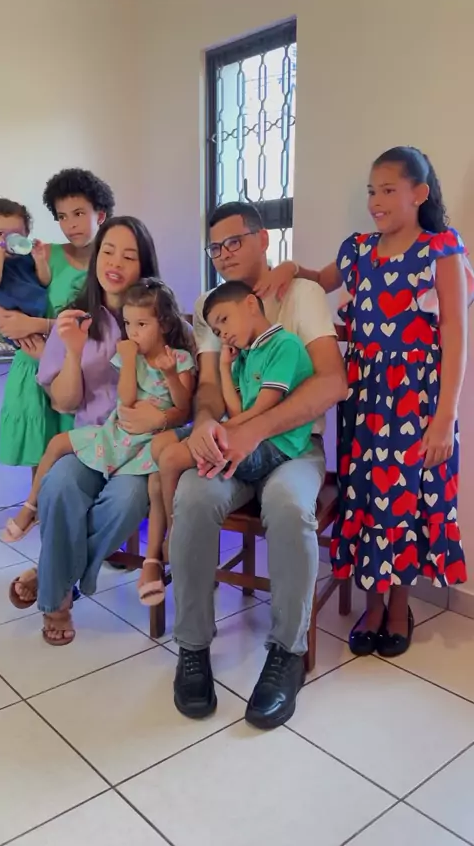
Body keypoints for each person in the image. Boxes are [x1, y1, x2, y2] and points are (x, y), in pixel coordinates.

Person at [168, 201, 347, 729]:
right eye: (214, 247)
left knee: (289, 506)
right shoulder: (210, 306)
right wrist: (206, 423)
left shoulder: (301, 294)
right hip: (232, 441)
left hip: (295, 445)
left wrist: (254, 429)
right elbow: (208, 387)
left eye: (234, 242)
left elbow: (332, 382)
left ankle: (286, 652)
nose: (223, 254)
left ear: (262, 238)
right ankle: (193, 647)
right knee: (193, 497)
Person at [311, 146, 471, 658]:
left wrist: (445, 418)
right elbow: (317, 282)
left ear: (419, 194)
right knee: (364, 497)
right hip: (363, 401)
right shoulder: (359, 250)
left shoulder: (440, 249)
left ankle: (399, 607)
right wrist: (288, 269)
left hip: (417, 402)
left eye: (387, 190)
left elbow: (456, 336)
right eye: (371, 191)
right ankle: (372, 605)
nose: (375, 201)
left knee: (404, 502)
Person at [7, 217, 191, 645]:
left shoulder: (164, 321)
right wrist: (73, 352)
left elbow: (187, 403)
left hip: (142, 451)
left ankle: (53, 580)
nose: (115, 263)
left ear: (144, 264)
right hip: (93, 439)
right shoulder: (74, 319)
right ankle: (58, 597)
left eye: (129, 255)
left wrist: (160, 419)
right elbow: (64, 403)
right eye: (107, 251)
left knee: (126, 501)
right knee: (58, 487)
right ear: (95, 258)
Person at [151, 280, 315, 556]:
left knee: (170, 459)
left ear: (250, 304)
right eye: (216, 331)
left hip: (274, 443)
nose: (223, 334)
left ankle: (174, 539)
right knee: (159, 444)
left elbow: (262, 410)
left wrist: (216, 428)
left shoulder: (284, 345)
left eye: (224, 320)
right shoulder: (245, 355)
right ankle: (182, 531)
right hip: (244, 431)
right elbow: (238, 411)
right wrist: (225, 366)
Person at [0, 168, 115, 474]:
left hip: (83, 374)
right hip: (32, 367)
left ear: (100, 215)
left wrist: (38, 326)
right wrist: (2, 316)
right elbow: (4, 288)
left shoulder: (111, 264)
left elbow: (104, 325)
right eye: (62, 216)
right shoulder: (45, 254)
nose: (70, 224)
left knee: (79, 467)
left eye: (78, 213)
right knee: (41, 465)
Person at [0, 197, 51, 347]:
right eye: (0, 233)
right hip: (12, 317)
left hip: (38, 314)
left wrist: (40, 260)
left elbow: (45, 281)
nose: (7, 240)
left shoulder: (26, 256)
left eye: (15, 234)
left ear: (26, 235)